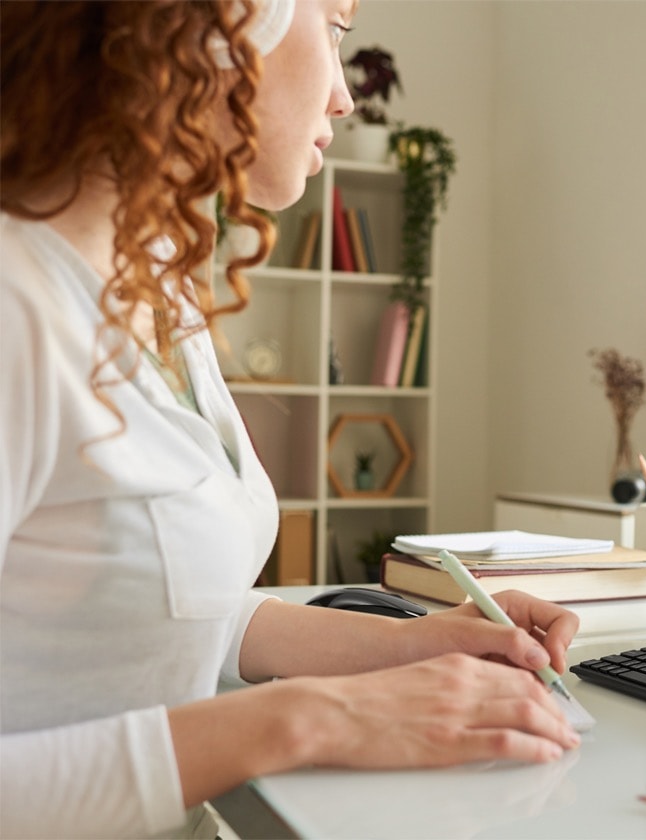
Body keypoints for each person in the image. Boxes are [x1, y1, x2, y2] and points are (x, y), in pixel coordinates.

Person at [0, 2, 582, 837]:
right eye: (336, 29)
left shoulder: (148, 277)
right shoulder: (15, 300)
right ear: (224, 25)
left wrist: (427, 642)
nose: (345, 98)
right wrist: (306, 720)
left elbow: (166, 612)